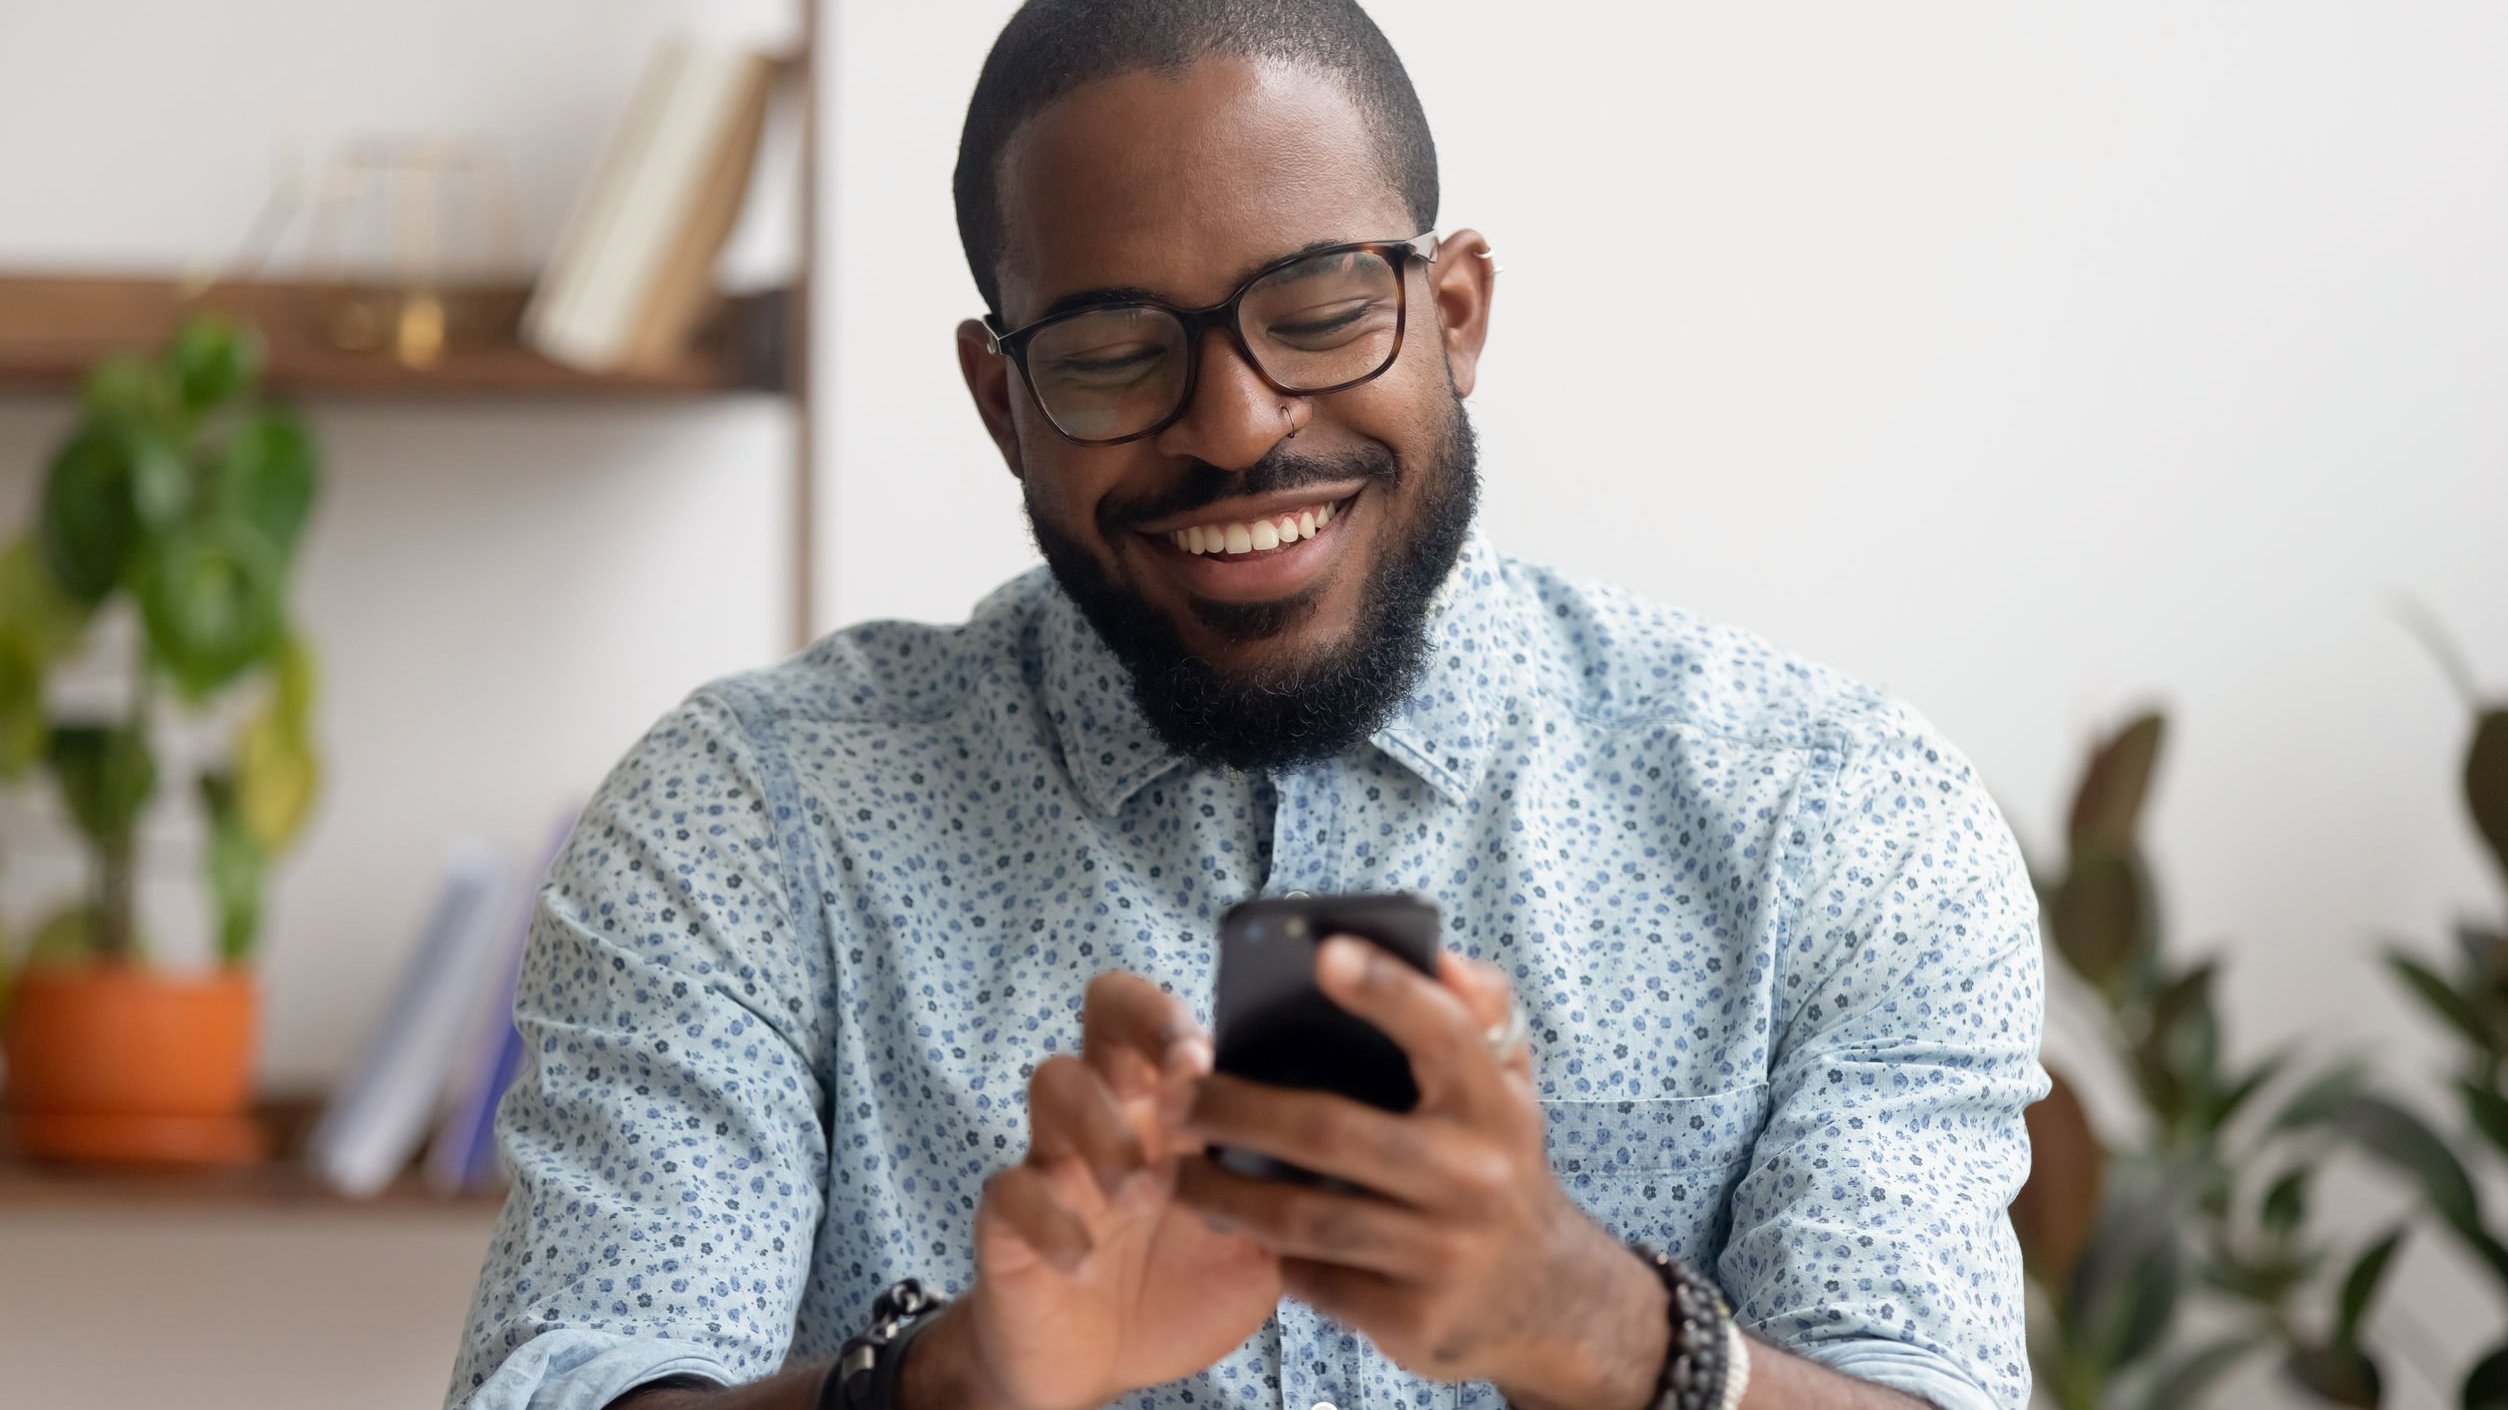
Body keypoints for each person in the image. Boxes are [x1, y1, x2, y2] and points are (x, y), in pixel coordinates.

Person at [446, 3, 2048, 1409]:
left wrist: (1589, 1321)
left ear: (1459, 314)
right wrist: (953, 1384)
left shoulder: (1836, 820)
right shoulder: (748, 827)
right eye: (1113, 350)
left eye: (1325, 305)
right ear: (1004, 403)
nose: (1236, 424)